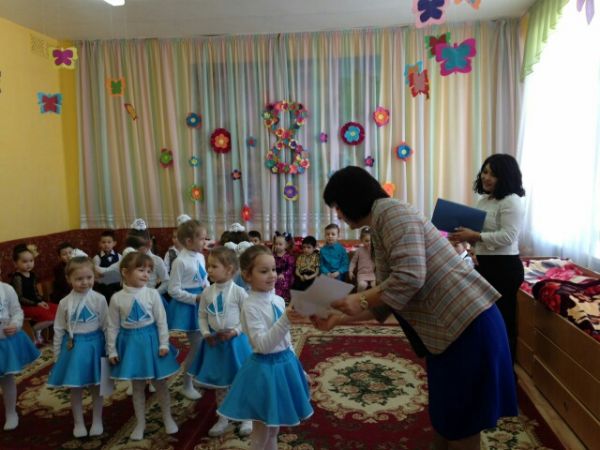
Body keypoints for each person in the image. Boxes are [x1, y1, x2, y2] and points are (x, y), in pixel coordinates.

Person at [316, 166, 516, 450]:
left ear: (351, 198)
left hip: (466, 326)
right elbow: (387, 299)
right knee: (447, 418)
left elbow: (409, 276)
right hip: (448, 333)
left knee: (462, 424)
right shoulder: (382, 221)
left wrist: (359, 298)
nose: (337, 214)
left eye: (337, 206)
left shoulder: (392, 213)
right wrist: (337, 319)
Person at [218, 245, 313, 450]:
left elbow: (285, 341)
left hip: (285, 365)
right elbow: (263, 345)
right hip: (264, 371)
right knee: (262, 431)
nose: (272, 275)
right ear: (247, 275)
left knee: (274, 428)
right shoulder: (250, 306)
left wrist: (301, 371)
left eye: (273, 269)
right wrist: (286, 319)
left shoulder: (278, 299)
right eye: (264, 271)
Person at [449, 154, 525, 363]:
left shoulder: (512, 201)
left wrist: (474, 236)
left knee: (503, 319)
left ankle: (505, 366)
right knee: (483, 318)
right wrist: (463, 238)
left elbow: (508, 236)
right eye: (484, 172)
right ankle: (485, 360)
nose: (486, 177)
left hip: (504, 268)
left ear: (505, 176)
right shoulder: (483, 201)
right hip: (484, 264)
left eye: (493, 174)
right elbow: (480, 236)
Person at [107, 252, 179, 441]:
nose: (146, 274)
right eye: (141, 270)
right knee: (137, 386)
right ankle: (140, 422)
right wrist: (111, 350)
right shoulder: (116, 298)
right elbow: (112, 326)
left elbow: (162, 321)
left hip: (152, 342)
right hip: (130, 345)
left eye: (149, 271)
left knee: (160, 383)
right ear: (125, 272)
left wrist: (164, 343)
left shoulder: (152, 293)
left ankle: (167, 417)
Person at [187, 247, 253, 437]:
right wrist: (206, 333)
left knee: (240, 379)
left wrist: (235, 331)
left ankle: (246, 416)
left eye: (214, 266)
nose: (209, 270)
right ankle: (223, 416)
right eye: (208, 266)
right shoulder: (207, 292)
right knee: (220, 382)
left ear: (230, 269)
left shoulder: (239, 292)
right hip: (215, 344)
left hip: (236, 343)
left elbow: (247, 317)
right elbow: (201, 316)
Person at [47, 257, 108, 438]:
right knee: (75, 387)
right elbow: (59, 328)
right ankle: (78, 422)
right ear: (69, 279)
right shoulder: (64, 303)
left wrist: (110, 349)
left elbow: (107, 326)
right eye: (79, 279)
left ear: (94, 276)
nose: (85, 282)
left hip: (96, 346)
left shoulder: (99, 299)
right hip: (74, 348)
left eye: (89, 277)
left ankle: (97, 420)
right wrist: (57, 354)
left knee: (97, 386)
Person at [167, 219, 209, 400]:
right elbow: (173, 289)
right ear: (189, 241)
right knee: (197, 346)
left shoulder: (200, 257)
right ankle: (187, 384)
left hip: (202, 302)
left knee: (204, 343)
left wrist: (209, 292)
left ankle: (197, 376)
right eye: (202, 239)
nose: (205, 242)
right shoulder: (180, 262)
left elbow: (204, 279)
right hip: (189, 307)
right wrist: (194, 298)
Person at [0, 268, 41, 431]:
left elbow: (17, 312)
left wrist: (15, 324)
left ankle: (11, 412)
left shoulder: (6, 289)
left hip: (5, 341)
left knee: (7, 378)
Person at [10, 244, 58, 345]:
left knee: (58, 310)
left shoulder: (32, 274)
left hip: (35, 303)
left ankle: (40, 332)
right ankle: (31, 332)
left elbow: (35, 291)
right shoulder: (17, 278)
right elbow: (19, 297)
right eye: (24, 261)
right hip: (24, 306)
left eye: (31, 261)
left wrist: (41, 301)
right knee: (50, 318)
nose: (29, 264)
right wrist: (36, 303)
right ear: (15, 263)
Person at [93, 230, 122, 302]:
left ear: (114, 243)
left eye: (109, 242)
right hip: (104, 284)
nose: (106, 244)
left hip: (117, 282)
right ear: (99, 244)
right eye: (103, 242)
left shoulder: (119, 256)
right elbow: (95, 272)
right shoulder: (97, 258)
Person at [348, 227, 376, 292]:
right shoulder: (359, 250)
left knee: (374, 286)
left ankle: (371, 297)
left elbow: (379, 261)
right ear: (361, 240)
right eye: (366, 241)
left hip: (372, 274)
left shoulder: (374, 250)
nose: (369, 243)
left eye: (371, 241)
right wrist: (350, 271)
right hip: (362, 274)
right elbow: (353, 262)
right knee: (362, 285)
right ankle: (359, 296)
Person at [272, 232, 295, 302]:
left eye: (280, 244)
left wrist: (283, 274)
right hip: (275, 274)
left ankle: (283, 299)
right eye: (276, 244)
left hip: (286, 275)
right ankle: (273, 298)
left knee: (281, 282)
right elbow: (270, 266)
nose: (277, 246)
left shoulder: (289, 256)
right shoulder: (273, 255)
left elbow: (290, 268)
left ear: (286, 245)